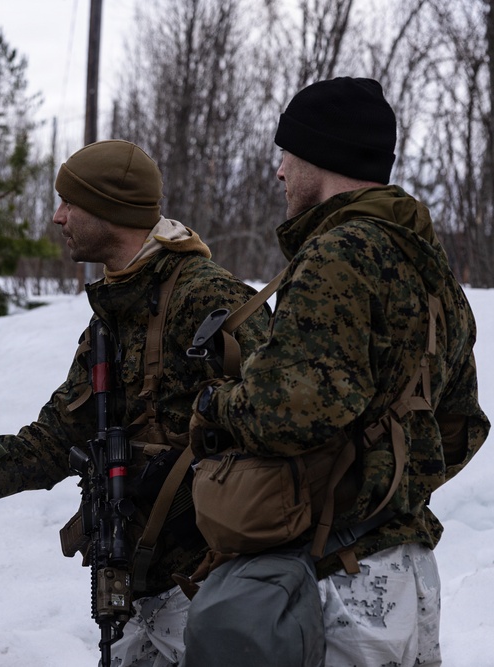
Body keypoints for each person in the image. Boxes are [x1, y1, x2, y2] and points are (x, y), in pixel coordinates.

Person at [0, 139, 270, 666]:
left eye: (68, 203)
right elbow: (61, 434)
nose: (58, 217)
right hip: (138, 588)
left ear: (109, 210)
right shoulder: (113, 312)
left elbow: (276, 421)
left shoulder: (208, 299)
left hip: (211, 589)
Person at [189, 77, 489, 666]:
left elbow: (289, 411)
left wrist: (215, 403)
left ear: (320, 155)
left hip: (341, 578)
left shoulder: (336, 254)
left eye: (287, 154)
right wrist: (393, 479)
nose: (279, 172)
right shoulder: (431, 267)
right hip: (409, 570)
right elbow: (462, 426)